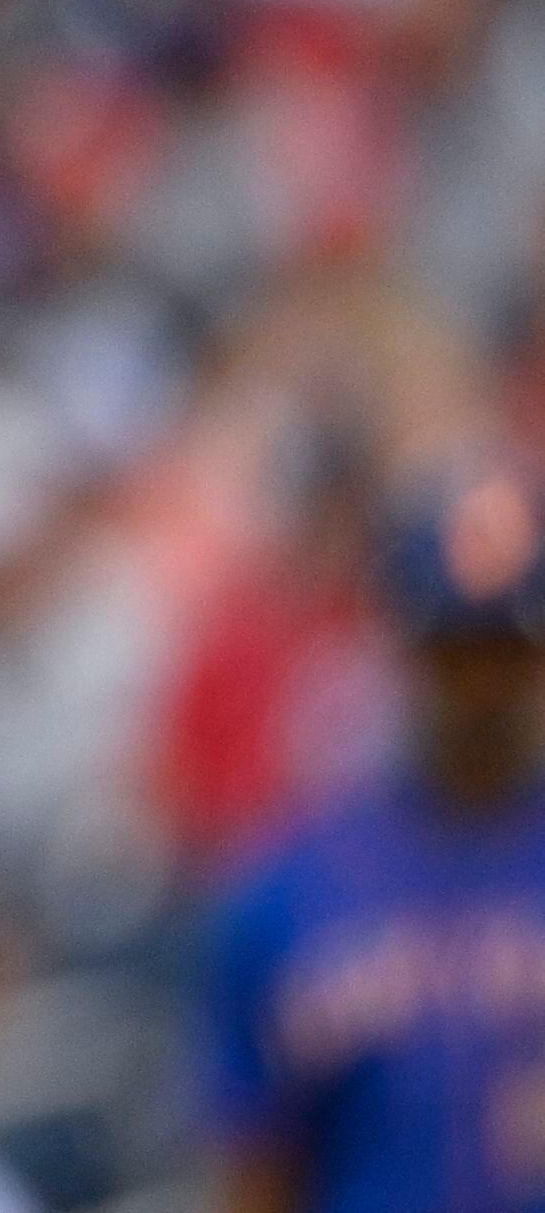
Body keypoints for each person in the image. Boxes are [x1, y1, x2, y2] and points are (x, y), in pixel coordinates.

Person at [202, 462, 545, 1213]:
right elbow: (255, 1167)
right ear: (400, 648)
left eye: (505, 651)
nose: (482, 688)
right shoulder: (287, 885)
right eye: (455, 652)